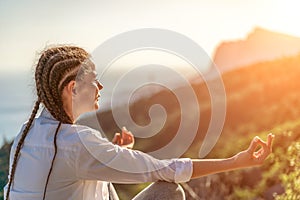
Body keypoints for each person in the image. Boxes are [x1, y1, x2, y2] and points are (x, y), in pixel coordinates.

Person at [4, 45, 274, 200]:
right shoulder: (77, 143)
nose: (100, 86)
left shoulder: (24, 137)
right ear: (73, 89)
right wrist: (236, 162)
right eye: (93, 80)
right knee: (169, 191)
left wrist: (113, 151)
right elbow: (164, 169)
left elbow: (70, 172)